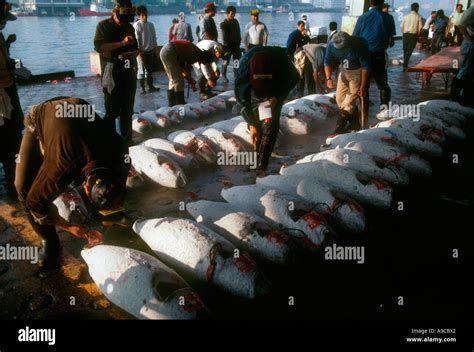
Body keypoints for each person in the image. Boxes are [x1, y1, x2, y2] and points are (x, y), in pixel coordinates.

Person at [15, 97, 130, 277]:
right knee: (22, 186)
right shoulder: (61, 166)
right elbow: (35, 201)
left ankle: (109, 214)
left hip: (75, 109)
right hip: (39, 118)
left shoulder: (119, 152)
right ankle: (50, 242)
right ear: (84, 188)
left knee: (110, 194)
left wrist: (114, 202)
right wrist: (67, 227)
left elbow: (117, 178)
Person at [235, 46, 299, 172]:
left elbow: (294, 78)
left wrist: (277, 96)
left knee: (269, 128)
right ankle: (255, 159)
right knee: (257, 130)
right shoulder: (244, 66)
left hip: (273, 92)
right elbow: (241, 99)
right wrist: (251, 122)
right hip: (254, 93)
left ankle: (261, 166)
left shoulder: (281, 61)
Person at [94, 0, 138, 147]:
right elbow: (100, 47)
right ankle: (110, 142)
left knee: (127, 108)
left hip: (128, 69)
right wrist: (122, 43)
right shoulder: (103, 26)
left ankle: (127, 140)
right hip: (111, 69)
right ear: (113, 12)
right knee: (111, 108)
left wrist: (133, 53)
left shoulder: (130, 27)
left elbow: (136, 48)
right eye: (120, 20)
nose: (122, 24)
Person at [353, 0, 393, 120]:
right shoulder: (388, 18)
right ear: (382, 3)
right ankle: (384, 112)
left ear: (370, 3)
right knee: (383, 85)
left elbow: (355, 38)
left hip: (363, 56)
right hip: (379, 56)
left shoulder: (362, 17)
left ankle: (364, 113)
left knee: (363, 86)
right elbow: (391, 41)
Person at [324, 32, 370, 133]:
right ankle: (354, 123)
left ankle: (340, 127)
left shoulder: (359, 45)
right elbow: (327, 62)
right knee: (339, 100)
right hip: (343, 71)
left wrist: (363, 86)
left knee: (348, 102)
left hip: (357, 72)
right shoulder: (331, 45)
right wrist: (328, 78)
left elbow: (365, 67)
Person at [0, 2, 23, 198]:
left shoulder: (0, 37)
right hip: (2, 95)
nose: (5, 24)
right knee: (10, 140)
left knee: (14, 135)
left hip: (8, 92)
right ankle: (13, 184)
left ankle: (14, 180)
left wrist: (7, 44)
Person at [160, 40, 218, 106]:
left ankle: (172, 104)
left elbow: (183, 68)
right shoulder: (196, 55)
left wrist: (190, 80)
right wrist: (190, 81)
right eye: (205, 62)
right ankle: (180, 103)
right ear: (205, 58)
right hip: (170, 52)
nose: (203, 63)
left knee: (173, 79)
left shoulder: (197, 53)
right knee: (178, 80)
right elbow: (186, 70)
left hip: (168, 50)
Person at [451, 4, 474, 105]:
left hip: (471, 43)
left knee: (469, 71)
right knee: (464, 70)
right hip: (470, 44)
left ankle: (467, 96)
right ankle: (455, 96)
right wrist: (469, 37)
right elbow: (461, 25)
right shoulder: (472, 9)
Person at [133, 5, 159, 94]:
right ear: (139, 16)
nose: (145, 16)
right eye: (142, 15)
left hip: (150, 50)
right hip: (141, 51)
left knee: (150, 70)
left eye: (146, 14)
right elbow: (136, 39)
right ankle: (142, 88)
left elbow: (154, 38)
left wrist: (155, 48)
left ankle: (150, 86)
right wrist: (139, 51)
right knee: (141, 70)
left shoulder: (151, 25)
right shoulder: (137, 25)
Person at [220, 6, 241, 83]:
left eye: (234, 14)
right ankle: (224, 76)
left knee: (236, 61)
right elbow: (224, 36)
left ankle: (236, 75)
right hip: (227, 46)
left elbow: (239, 33)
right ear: (227, 14)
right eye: (232, 14)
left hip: (236, 45)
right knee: (225, 61)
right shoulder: (224, 23)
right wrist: (225, 46)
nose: (233, 15)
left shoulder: (236, 22)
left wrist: (239, 42)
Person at [401, 2, 423, 68]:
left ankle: (405, 62)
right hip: (413, 35)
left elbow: (402, 27)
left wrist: (404, 33)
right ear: (417, 8)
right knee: (410, 50)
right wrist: (418, 36)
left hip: (405, 34)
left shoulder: (405, 16)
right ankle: (405, 63)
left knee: (405, 50)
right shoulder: (418, 17)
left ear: (411, 8)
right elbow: (420, 28)